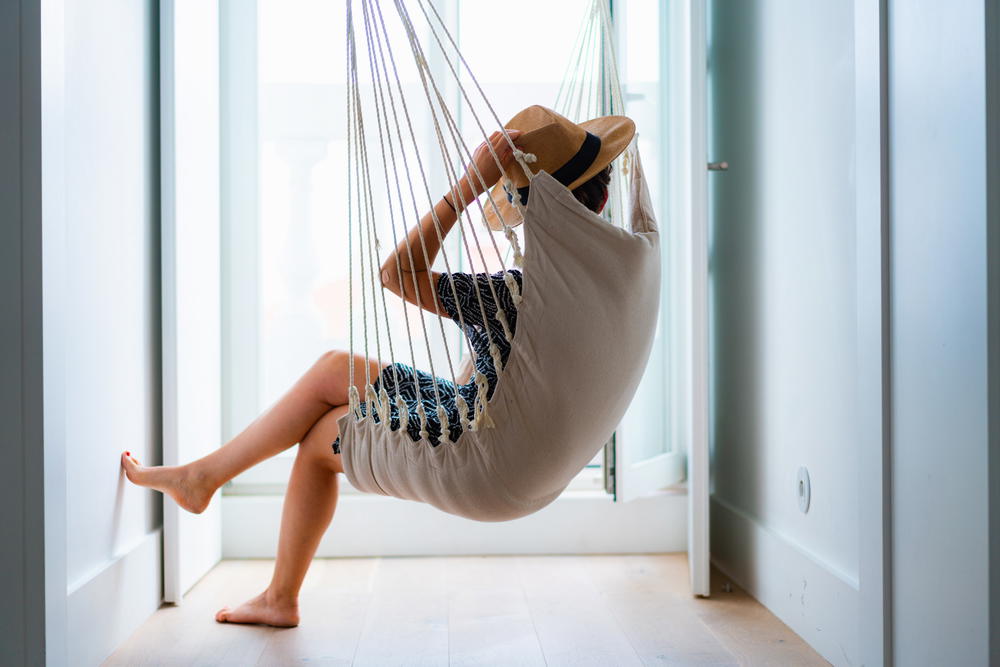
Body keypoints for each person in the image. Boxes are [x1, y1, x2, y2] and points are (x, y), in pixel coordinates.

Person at [121, 105, 632, 627]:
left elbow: (398, 272)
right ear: (605, 198)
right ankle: (205, 478)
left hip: (487, 454)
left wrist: (467, 187)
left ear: (526, 213)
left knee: (323, 437)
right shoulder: (627, 267)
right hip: (515, 437)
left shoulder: (516, 296)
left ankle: (277, 592)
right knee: (333, 368)